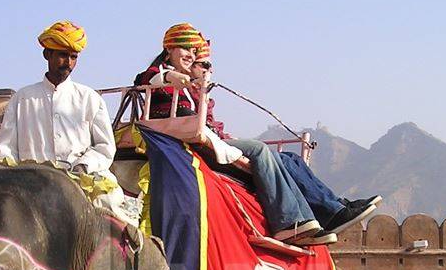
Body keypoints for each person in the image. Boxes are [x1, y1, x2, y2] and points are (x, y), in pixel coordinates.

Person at [134, 24, 331, 246]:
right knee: (259, 149)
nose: (190, 55)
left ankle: (310, 217)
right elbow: (146, 79)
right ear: (169, 49)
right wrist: (171, 76)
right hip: (182, 135)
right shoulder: (160, 75)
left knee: (284, 159)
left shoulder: (191, 86)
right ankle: (288, 221)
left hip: (204, 134)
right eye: (184, 49)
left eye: (193, 51)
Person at [188, 39, 380, 236]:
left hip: (217, 139)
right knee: (260, 150)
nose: (208, 70)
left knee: (292, 159)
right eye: (204, 65)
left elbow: (211, 125)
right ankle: (295, 219)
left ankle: (335, 208)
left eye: (209, 66)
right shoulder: (179, 85)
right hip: (207, 145)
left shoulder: (197, 90)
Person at [0, 20, 131, 223]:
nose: (68, 62)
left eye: (73, 57)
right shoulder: (22, 98)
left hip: (82, 183)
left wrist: (83, 166)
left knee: (114, 216)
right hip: (30, 185)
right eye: (62, 55)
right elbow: (5, 150)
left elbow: (104, 147)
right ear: (47, 55)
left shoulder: (89, 98)